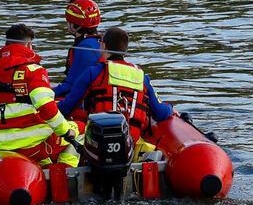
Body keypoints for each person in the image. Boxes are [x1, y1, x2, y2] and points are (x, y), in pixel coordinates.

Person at [0, 23, 84, 168]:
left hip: (3, 147)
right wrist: (66, 131)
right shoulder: (34, 71)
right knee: (83, 128)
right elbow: (46, 107)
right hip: (34, 146)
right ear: (28, 45)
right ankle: (65, 169)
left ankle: (41, 167)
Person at [59, 26, 176, 157]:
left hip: (99, 138)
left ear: (103, 45)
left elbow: (67, 106)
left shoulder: (94, 72)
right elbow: (160, 113)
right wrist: (170, 108)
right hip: (131, 139)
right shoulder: (141, 76)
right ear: (125, 50)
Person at [49, 0, 103, 108]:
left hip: (87, 103)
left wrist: (46, 94)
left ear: (74, 25)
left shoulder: (84, 47)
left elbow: (71, 85)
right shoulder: (99, 42)